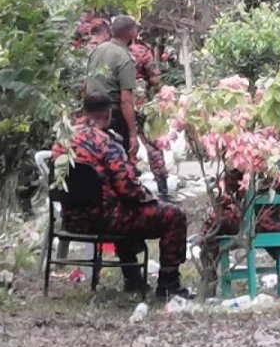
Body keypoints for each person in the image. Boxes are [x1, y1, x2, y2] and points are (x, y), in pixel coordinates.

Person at [51, 93, 191, 298]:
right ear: (108, 114)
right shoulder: (105, 142)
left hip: (72, 219)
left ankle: (133, 279)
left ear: (83, 111)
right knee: (173, 215)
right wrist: (150, 199)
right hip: (105, 220)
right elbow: (127, 188)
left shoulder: (62, 140)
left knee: (124, 208)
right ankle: (169, 285)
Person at [199, 169, 280, 296]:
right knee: (271, 233)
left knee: (211, 234)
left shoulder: (242, 165)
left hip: (256, 223)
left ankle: (208, 287)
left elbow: (230, 190)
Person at [85, 16, 140, 160]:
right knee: (119, 159)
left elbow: (86, 84)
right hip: (113, 116)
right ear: (132, 33)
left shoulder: (97, 51)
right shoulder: (124, 58)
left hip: (92, 115)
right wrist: (133, 134)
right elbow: (126, 101)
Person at [128, 38, 172, 200]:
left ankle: (129, 183)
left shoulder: (111, 48)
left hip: (117, 106)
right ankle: (162, 185)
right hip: (141, 105)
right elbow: (155, 79)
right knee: (152, 145)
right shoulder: (142, 50)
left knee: (123, 144)